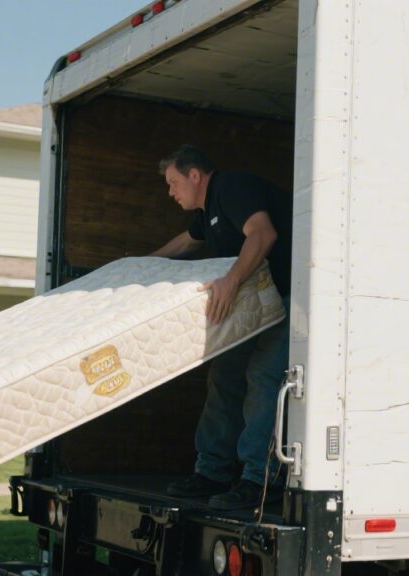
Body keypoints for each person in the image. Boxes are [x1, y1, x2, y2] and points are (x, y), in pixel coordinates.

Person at [151, 144, 292, 510]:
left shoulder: (230, 187)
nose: (170, 192)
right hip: (256, 301)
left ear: (195, 175)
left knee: (262, 377)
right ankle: (212, 472)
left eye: (173, 183)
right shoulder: (208, 210)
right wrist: (142, 264)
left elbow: (262, 234)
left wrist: (231, 280)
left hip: (289, 297)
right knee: (224, 375)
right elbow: (186, 242)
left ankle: (259, 480)